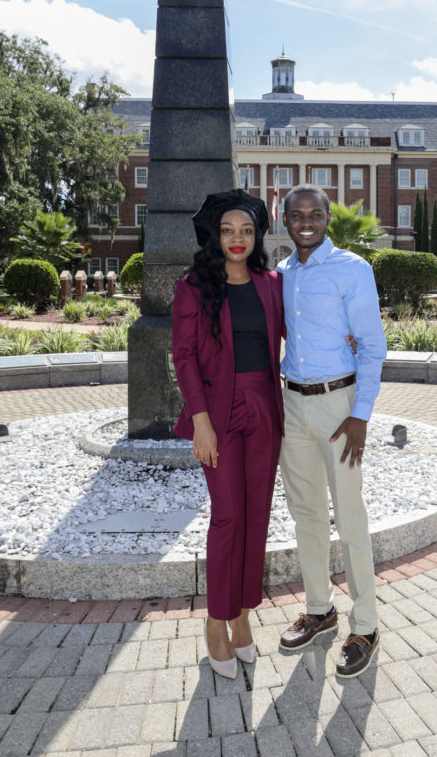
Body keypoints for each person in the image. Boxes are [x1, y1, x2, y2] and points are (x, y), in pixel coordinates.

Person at [172, 188, 284, 679]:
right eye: (227, 230)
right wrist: (201, 422)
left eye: (246, 230)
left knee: (256, 515)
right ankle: (216, 622)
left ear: (257, 236)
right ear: (214, 236)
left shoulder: (272, 282)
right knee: (228, 517)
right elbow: (185, 358)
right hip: (217, 413)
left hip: (265, 407)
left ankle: (242, 618)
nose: (237, 239)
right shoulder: (193, 286)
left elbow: (298, 332)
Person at [277, 183, 387, 678]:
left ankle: (365, 625)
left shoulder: (352, 269)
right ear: (284, 220)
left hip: (339, 406)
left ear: (327, 219)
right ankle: (320, 610)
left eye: (314, 214)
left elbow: (372, 345)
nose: (305, 221)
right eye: (296, 214)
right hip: (291, 405)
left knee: (350, 518)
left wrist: (361, 413)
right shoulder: (280, 274)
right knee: (306, 516)